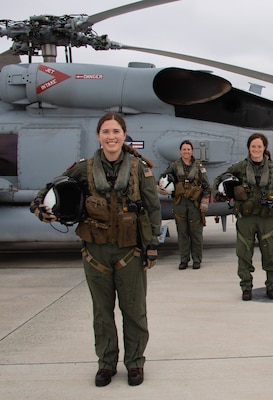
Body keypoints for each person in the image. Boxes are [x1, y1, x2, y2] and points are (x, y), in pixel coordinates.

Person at [29, 112, 162, 387]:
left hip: (131, 252)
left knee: (134, 311)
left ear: (124, 135)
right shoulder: (83, 168)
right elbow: (48, 191)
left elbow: (153, 209)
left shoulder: (140, 170)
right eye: (106, 132)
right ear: (98, 136)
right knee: (102, 313)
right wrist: (43, 210)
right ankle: (106, 364)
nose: (111, 137)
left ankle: (135, 363)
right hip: (96, 252)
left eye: (116, 131)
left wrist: (151, 247)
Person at [213, 133, 273, 301]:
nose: (256, 149)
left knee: (270, 254)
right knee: (244, 253)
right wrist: (220, 194)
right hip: (246, 218)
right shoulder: (240, 167)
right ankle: (246, 287)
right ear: (249, 148)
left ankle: (272, 285)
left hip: (267, 218)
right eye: (253, 146)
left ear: (264, 148)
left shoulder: (272, 168)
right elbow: (218, 180)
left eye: (259, 146)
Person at [158, 140, 210, 269]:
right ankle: (184, 260)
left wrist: (204, 201)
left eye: (188, 149)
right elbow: (162, 177)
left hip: (194, 204)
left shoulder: (198, 167)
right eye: (184, 149)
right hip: (180, 203)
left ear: (192, 151)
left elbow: (206, 186)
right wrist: (160, 189)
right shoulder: (174, 166)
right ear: (180, 151)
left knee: (196, 233)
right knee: (182, 233)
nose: (186, 151)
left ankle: (197, 259)